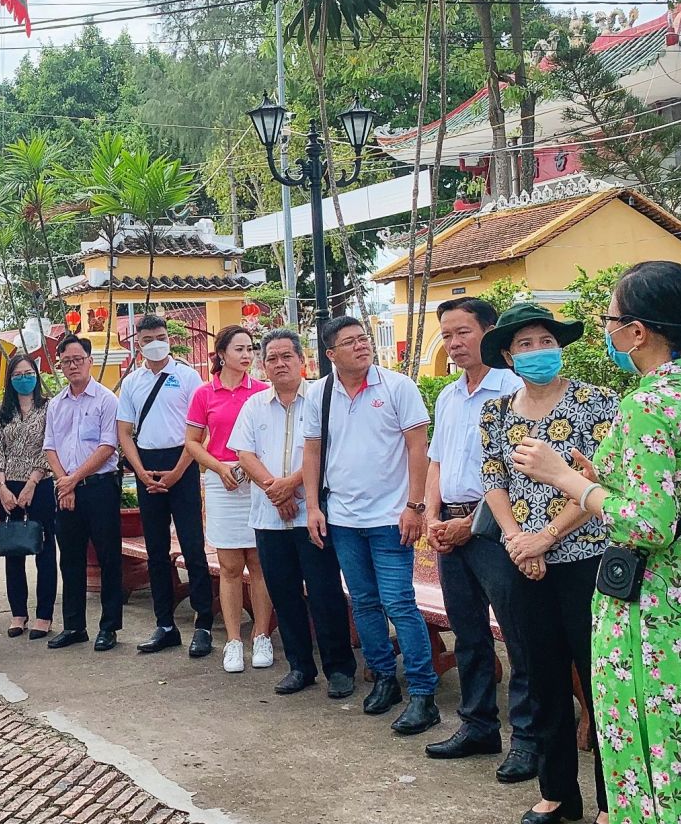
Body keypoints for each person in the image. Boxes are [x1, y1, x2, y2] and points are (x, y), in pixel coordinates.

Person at [513, 259, 681, 824]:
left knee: (658, 775)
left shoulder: (650, 403)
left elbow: (648, 523)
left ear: (638, 331)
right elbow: (677, 498)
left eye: (611, 320)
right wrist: (606, 482)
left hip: (652, 622)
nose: (608, 332)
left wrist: (563, 476)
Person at [477, 303, 618, 824]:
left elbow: (600, 482)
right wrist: (517, 539)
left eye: (545, 341)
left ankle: (611, 798)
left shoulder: (595, 402)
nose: (537, 352)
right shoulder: (495, 414)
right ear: (509, 356)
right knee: (541, 676)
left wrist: (547, 536)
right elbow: (494, 481)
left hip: (585, 557)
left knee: (598, 677)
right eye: (525, 345)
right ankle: (558, 790)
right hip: (522, 562)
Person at [420, 298, 540, 785]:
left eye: (463, 332)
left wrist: (472, 524)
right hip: (449, 529)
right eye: (447, 335)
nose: (453, 344)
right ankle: (477, 725)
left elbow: (520, 477)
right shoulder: (449, 396)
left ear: (489, 333)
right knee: (467, 633)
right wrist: (431, 516)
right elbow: (437, 463)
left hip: (497, 530)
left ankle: (528, 740)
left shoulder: (514, 390)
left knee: (519, 636)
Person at [302, 316, 440, 736]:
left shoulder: (397, 387)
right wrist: (312, 506)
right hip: (343, 518)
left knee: (399, 602)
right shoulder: (319, 394)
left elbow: (419, 448)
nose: (362, 346)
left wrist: (415, 506)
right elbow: (312, 452)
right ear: (330, 354)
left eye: (364, 339)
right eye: (350, 342)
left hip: (391, 518)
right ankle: (384, 678)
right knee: (362, 602)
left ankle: (422, 693)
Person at [230, 329, 355, 698]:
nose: (280, 363)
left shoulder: (321, 398)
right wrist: (275, 488)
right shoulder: (254, 405)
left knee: (325, 593)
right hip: (269, 517)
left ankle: (339, 670)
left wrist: (293, 486)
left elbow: (328, 449)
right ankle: (300, 666)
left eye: (287, 356)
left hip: (311, 515)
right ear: (263, 365)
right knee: (283, 594)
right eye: (272, 358)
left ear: (303, 361)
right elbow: (244, 454)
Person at [116, 314, 214, 658]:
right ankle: (165, 625)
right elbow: (124, 433)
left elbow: (198, 433)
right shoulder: (132, 383)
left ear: (168, 338)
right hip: (146, 465)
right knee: (156, 550)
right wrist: (140, 471)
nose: (155, 343)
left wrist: (177, 471)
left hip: (182, 463)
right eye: (147, 339)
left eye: (160, 336)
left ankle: (203, 624)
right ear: (137, 343)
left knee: (192, 546)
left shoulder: (187, 377)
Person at [185, 324, 275, 672]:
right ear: (221, 354)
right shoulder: (205, 394)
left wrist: (253, 470)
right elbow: (192, 442)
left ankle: (262, 636)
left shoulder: (262, 392)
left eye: (250, 348)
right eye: (239, 349)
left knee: (260, 564)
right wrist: (219, 468)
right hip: (222, 482)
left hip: (256, 480)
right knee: (230, 567)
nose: (247, 355)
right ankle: (234, 640)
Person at [43, 334, 123, 652]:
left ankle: (109, 627)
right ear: (60, 365)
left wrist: (73, 480)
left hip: (100, 488)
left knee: (108, 558)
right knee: (71, 560)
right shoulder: (56, 404)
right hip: (66, 490)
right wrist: (65, 483)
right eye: (67, 361)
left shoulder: (106, 400)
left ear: (89, 361)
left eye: (78, 359)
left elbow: (107, 447)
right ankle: (74, 626)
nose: (73, 365)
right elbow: (50, 446)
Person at [0, 352, 58, 639]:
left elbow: (49, 446)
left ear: (37, 375)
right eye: (18, 375)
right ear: (10, 380)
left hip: (40, 486)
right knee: (13, 550)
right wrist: (2, 486)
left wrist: (32, 483)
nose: (24, 379)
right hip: (9, 489)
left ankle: (44, 616)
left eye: (29, 373)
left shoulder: (49, 407)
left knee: (44, 550)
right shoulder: (3, 411)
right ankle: (18, 613)